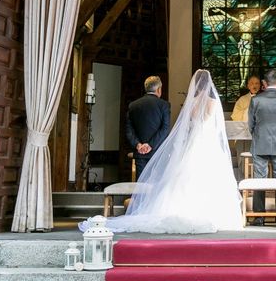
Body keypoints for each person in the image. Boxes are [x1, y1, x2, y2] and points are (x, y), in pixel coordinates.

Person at [81, 69, 242, 234]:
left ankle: (172, 210)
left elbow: (182, 128)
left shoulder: (191, 102)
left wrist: (148, 146)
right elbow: (215, 128)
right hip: (209, 143)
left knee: (185, 177)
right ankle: (213, 213)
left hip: (191, 144)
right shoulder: (213, 103)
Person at [248, 68, 276, 225]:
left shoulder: (256, 100)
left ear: (264, 83)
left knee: (259, 179)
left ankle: (259, 217)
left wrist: (260, 135)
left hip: (260, 143)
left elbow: (251, 125)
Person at [214, 5, 276, 87]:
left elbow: (260, 16)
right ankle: (242, 79)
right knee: (241, 61)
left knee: (246, 62)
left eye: (241, 16)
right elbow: (229, 16)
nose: (240, 17)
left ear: (244, 16)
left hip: (248, 43)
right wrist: (220, 11)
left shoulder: (250, 21)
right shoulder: (239, 22)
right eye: (239, 16)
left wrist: (268, 9)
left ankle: (243, 80)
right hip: (241, 42)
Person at [125, 76, 171, 177]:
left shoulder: (133, 105)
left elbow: (129, 130)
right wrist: (150, 145)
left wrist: (138, 145)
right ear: (159, 89)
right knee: (157, 187)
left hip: (140, 153)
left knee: (141, 188)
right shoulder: (164, 105)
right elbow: (165, 128)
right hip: (158, 153)